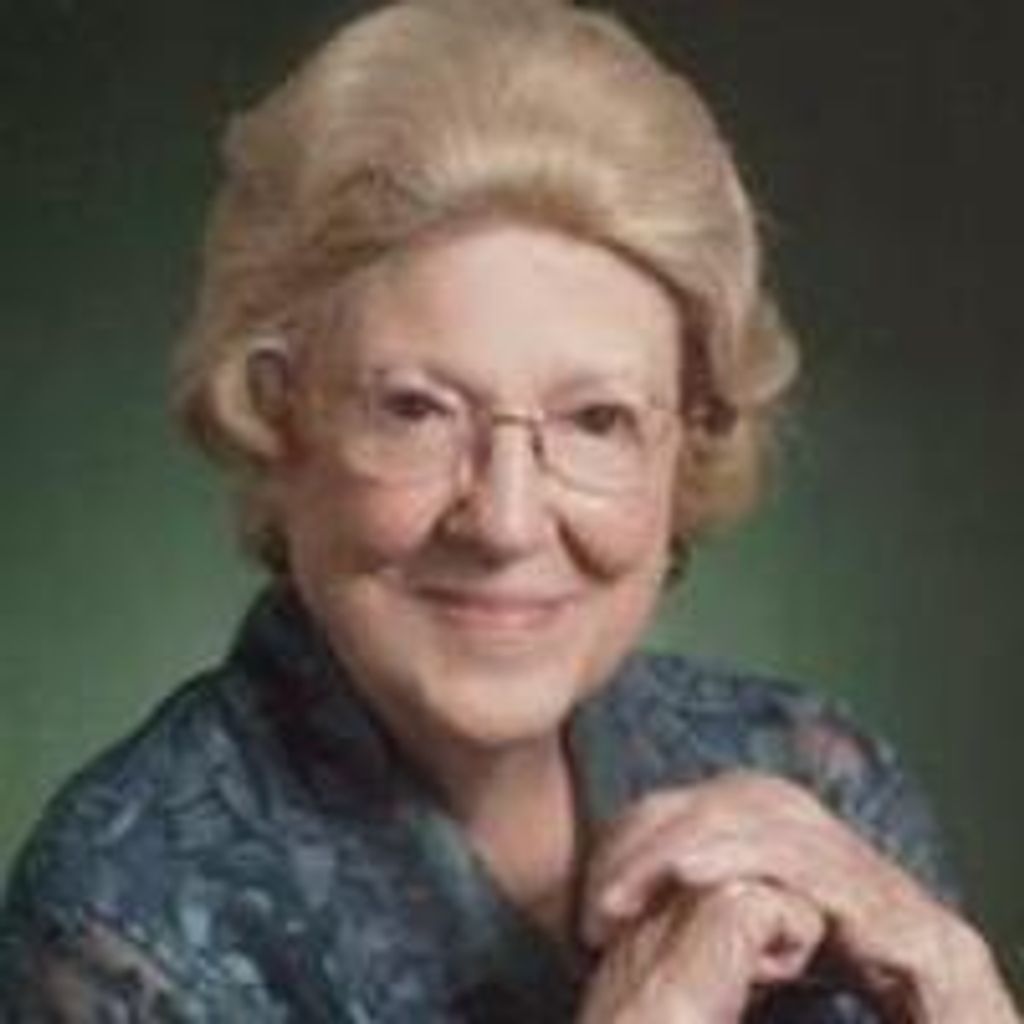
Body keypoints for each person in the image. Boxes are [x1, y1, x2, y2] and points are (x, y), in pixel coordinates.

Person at [0, 0, 1018, 1020]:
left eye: (597, 419)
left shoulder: (815, 774)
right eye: (415, 409)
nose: (505, 521)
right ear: (277, 417)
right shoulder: (122, 916)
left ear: (690, 441)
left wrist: (951, 974)